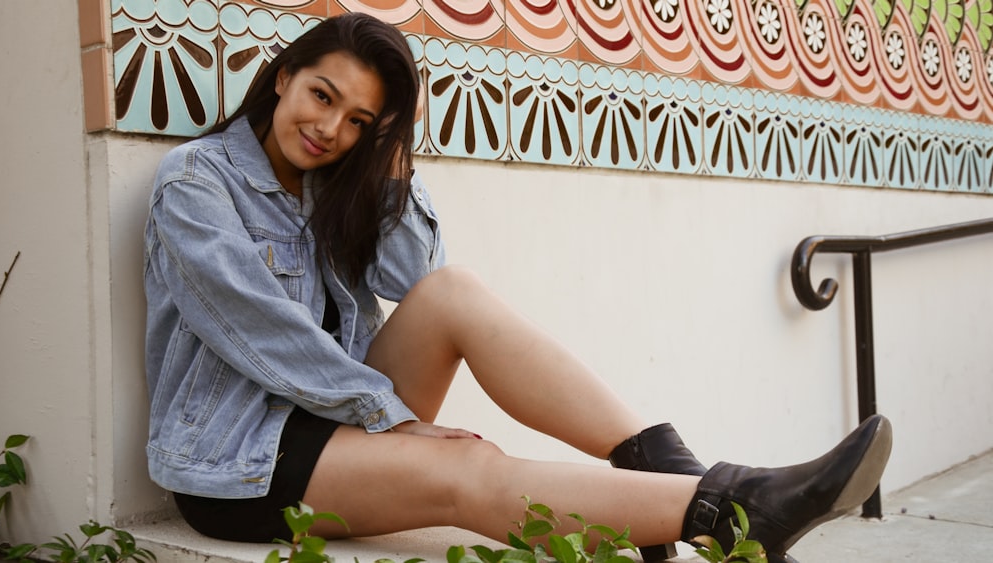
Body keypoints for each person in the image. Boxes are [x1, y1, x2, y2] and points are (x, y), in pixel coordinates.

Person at [143, 12, 892, 563]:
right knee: (466, 468)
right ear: (282, 78)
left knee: (453, 295)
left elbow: (419, 278)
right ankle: (735, 506)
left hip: (329, 418)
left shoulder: (334, 185)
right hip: (237, 462)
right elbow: (257, 330)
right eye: (321, 95)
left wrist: (388, 161)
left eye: (358, 120)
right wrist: (392, 416)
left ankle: (665, 467)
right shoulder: (195, 184)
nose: (329, 126)